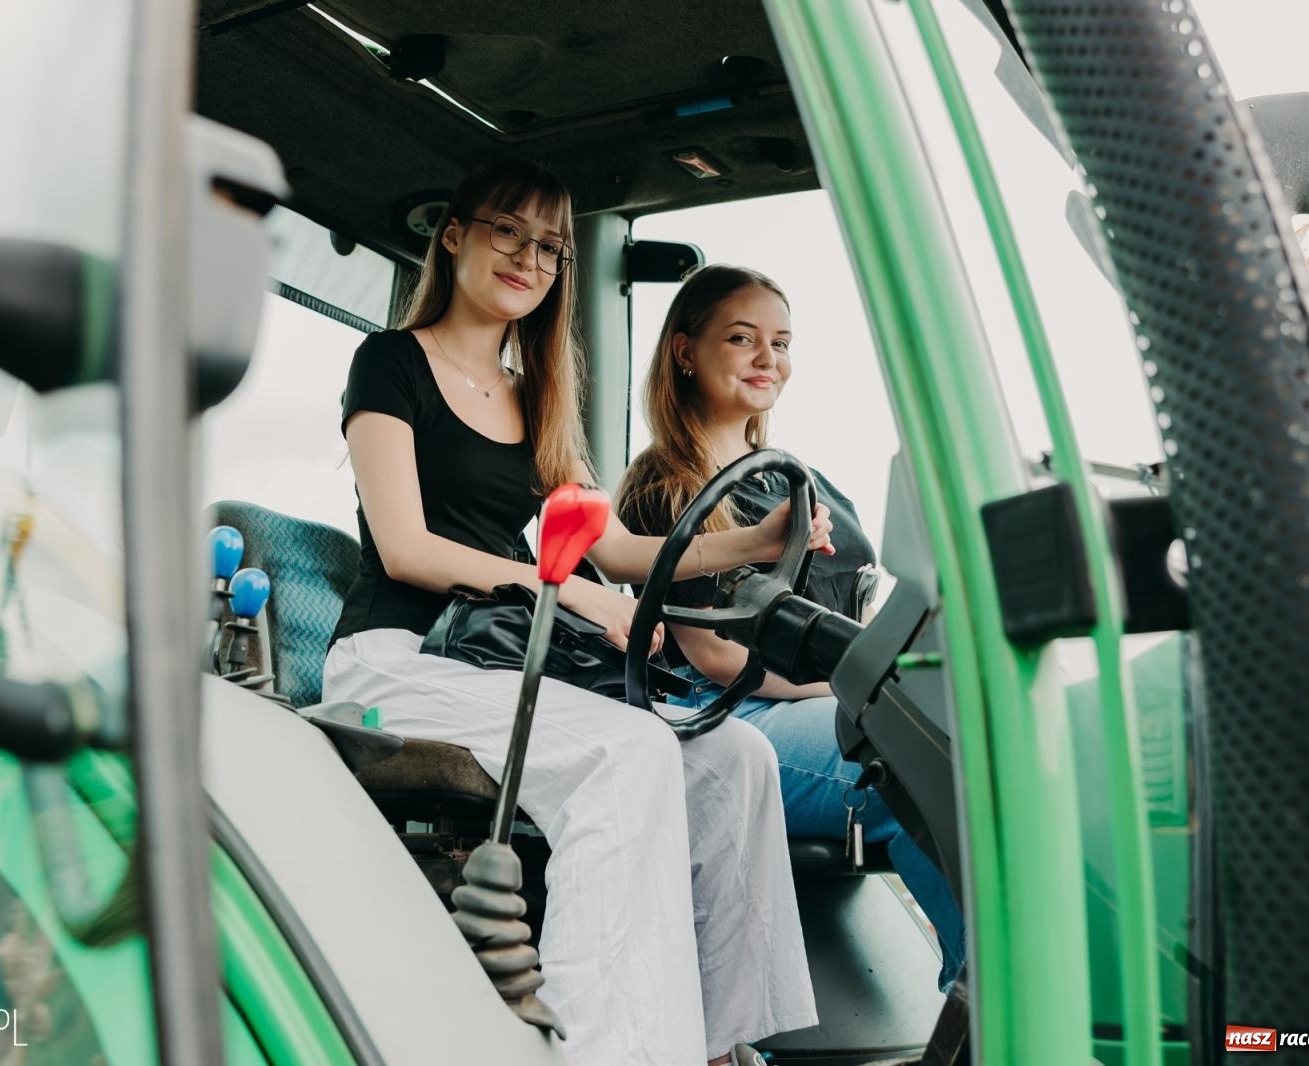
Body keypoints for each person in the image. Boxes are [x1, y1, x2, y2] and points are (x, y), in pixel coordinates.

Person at [321, 160, 831, 1066]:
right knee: (628, 751)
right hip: (395, 658)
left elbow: (625, 555)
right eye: (508, 232)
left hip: (492, 661)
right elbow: (407, 548)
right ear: (455, 235)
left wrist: (756, 544)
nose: (529, 258)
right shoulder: (392, 362)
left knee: (735, 757)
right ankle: (602, 1050)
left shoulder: (539, 397)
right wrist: (567, 593)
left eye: (550, 247)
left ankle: (719, 1047)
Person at [616, 264, 967, 992]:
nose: (766, 358)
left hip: (834, 701)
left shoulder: (802, 480)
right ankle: (989, 999)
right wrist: (856, 687)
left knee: (969, 744)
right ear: (685, 351)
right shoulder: (665, 488)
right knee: (919, 762)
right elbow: (714, 656)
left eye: (780, 342)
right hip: (733, 715)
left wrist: (885, 678)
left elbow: (860, 608)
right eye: (741, 338)